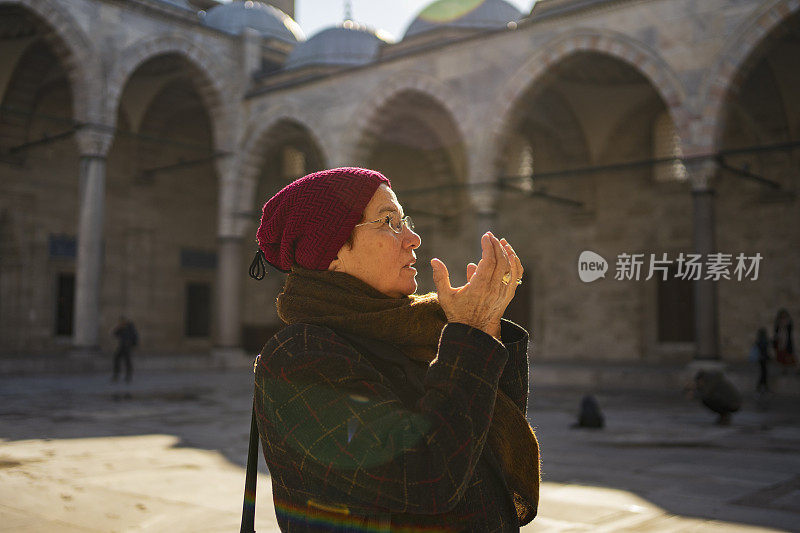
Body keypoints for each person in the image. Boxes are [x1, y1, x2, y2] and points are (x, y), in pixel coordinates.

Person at [249, 167, 539, 531]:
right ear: (331, 252)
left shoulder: (410, 331)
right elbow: (426, 476)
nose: (413, 238)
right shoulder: (299, 357)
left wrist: (487, 326)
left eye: (405, 221)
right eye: (389, 222)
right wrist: (471, 336)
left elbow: (486, 444)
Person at [112, 315, 138, 383]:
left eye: (122, 321)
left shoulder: (130, 328)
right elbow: (115, 334)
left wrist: (132, 344)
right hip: (122, 346)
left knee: (127, 361)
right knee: (116, 359)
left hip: (127, 346)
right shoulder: (121, 328)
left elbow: (134, 336)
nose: (122, 322)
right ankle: (116, 375)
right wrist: (118, 328)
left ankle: (128, 376)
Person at [772, 308, 795, 373]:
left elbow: (789, 331)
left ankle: (789, 368)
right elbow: (776, 332)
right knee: (781, 356)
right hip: (780, 342)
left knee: (788, 355)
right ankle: (783, 369)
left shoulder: (788, 323)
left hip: (786, 342)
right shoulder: (778, 323)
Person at [754, 327, 770, 393]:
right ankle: (762, 385)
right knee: (764, 372)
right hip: (763, 357)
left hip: (761, 358)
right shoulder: (763, 340)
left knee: (764, 372)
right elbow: (764, 348)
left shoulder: (759, 340)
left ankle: (763, 385)